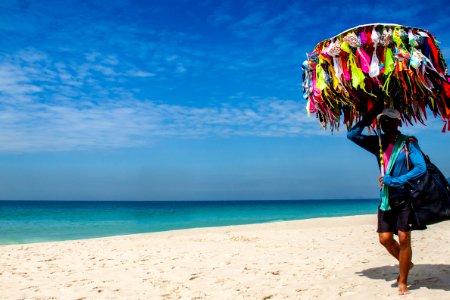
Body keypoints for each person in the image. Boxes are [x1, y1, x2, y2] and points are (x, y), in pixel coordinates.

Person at [347, 108, 427, 295]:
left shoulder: (409, 143)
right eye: (383, 121)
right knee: (384, 239)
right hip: (387, 198)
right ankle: (406, 262)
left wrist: (395, 180)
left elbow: (420, 167)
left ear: (399, 122)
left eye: (390, 120)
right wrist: (368, 116)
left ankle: (403, 282)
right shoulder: (378, 143)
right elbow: (352, 135)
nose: (386, 124)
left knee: (404, 238)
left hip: (404, 196)